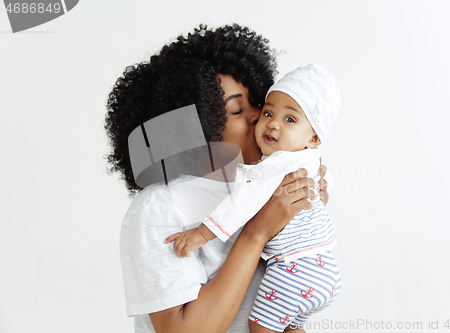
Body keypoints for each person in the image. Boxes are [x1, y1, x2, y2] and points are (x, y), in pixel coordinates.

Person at [104, 24, 331, 333]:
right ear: (194, 129)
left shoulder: (256, 186)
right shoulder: (159, 206)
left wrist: (306, 209)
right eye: (237, 109)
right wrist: (257, 233)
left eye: (258, 104)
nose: (258, 117)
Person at [166, 64, 342, 332]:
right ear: (202, 122)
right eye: (269, 112)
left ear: (314, 137)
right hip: (325, 269)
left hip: (293, 267)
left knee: (259, 327)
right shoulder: (309, 158)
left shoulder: (271, 169)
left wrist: (201, 235)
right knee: (289, 328)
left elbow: (240, 204)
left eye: (290, 119)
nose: (267, 121)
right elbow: (321, 186)